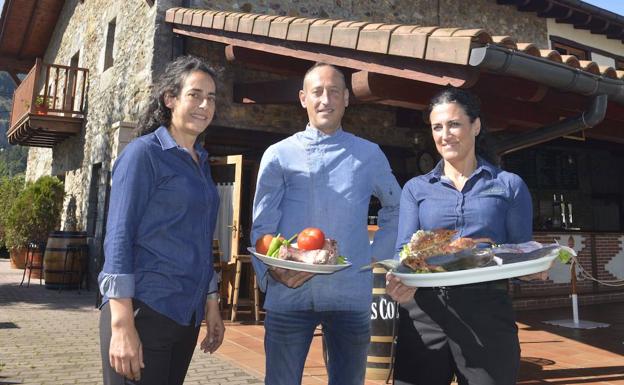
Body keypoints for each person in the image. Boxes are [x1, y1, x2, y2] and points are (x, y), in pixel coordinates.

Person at [251, 62, 401, 385]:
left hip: (349, 294)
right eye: (317, 92)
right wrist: (272, 271)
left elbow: (397, 206)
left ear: (347, 98)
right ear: (303, 98)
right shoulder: (278, 154)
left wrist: (376, 255)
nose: (325, 100)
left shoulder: (369, 154)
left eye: (334, 92)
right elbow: (262, 224)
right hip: (287, 295)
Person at [386, 87, 533, 385]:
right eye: (437, 127)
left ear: (475, 126)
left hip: (488, 313)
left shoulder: (509, 186)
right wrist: (399, 279)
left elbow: (520, 251)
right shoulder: (416, 188)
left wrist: (534, 268)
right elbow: (405, 251)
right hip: (425, 312)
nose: (445, 135)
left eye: (454, 124)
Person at [98, 56, 224, 385]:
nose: (204, 105)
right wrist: (121, 323)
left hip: (185, 316)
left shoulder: (201, 163)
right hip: (144, 310)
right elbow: (119, 237)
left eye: (211, 98)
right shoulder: (143, 155)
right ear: (170, 99)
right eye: (195, 94)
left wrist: (211, 303)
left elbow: (200, 239)